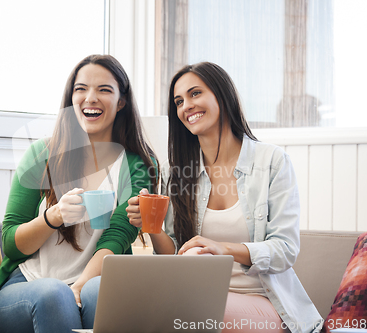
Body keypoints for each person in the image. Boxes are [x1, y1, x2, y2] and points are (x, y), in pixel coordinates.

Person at [126, 62, 323, 333]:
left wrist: (223, 249)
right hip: (195, 296)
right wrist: (152, 227)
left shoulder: (272, 161)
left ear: (222, 95)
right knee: (153, 303)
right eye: (179, 101)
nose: (186, 106)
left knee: (184, 308)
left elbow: (285, 250)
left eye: (195, 93)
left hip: (264, 301)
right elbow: (173, 253)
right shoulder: (179, 174)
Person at [0, 54, 158, 333]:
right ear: (71, 99)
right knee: (55, 295)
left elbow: (117, 237)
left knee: (103, 291)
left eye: (104, 90)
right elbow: (10, 243)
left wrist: (78, 287)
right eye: (81, 89)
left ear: (121, 102)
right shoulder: (41, 155)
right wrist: (52, 217)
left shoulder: (136, 163)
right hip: (28, 285)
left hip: (93, 279)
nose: (90, 97)